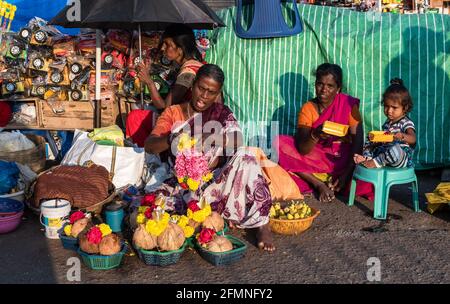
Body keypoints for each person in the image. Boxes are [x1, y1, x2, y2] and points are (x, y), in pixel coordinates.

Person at [145, 64, 275, 252]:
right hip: (184, 186)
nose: (204, 96)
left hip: (215, 183)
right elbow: (150, 145)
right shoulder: (174, 112)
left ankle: (261, 224)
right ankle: (216, 216)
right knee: (155, 214)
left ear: (217, 94)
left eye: (211, 92)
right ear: (193, 85)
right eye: (201, 88)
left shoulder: (221, 113)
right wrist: (172, 137)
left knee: (247, 155)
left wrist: (212, 137)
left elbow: (237, 140)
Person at [275, 63, 373, 203]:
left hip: (342, 160)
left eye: (330, 86)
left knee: (367, 181)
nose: (323, 90)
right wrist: (315, 135)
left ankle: (335, 182)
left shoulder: (349, 105)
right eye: (320, 84)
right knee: (278, 143)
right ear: (315, 84)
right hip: (316, 158)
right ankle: (318, 184)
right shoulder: (308, 109)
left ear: (338, 88)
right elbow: (303, 149)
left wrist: (346, 173)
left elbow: (358, 143)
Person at [126, 24, 204, 147]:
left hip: (185, 126)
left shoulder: (187, 73)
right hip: (189, 120)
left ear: (180, 49)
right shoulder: (194, 65)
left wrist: (149, 82)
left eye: (167, 44)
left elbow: (165, 108)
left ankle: (146, 157)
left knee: (135, 117)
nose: (163, 48)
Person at [354, 78, 416, 168]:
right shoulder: (387, 123)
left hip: (400, 157)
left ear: (405, 108)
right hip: (385, 154)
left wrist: (403, 136)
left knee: (394, 150)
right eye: (386, 106)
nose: (389, 111)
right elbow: (385, 141)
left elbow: (413, 138)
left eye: (394, 107)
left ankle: (376, 162)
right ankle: (368, 158)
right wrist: (377, 141)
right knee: (369, 142)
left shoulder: (406, 122)